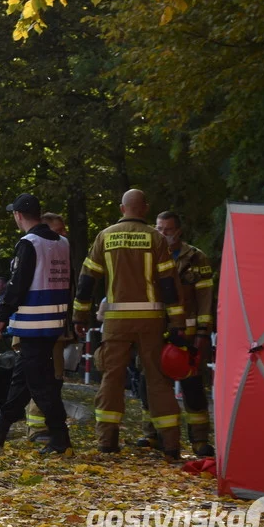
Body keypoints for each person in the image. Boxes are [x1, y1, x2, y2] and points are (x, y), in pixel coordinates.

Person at [73, 189, 187, 458]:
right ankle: (170, 444)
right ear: (145, 208)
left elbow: (87, 280)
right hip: (151, 322)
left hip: (116, 322)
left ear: (122, 209)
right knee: (157, 380)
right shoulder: (155, 238)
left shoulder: (105, 236)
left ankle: (107, 441)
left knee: (111, 378)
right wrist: (178, 321)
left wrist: (79, 316)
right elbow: (169, 283)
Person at [0, 194, 72, 454]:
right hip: (54, 322)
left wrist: (1, 316)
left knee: (40, 383)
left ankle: (60, 438)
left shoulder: (29, 243)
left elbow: (18, 284)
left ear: (18, 215)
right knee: (23, 379)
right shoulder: (62, 243)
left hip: (33, 324)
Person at [134, 211, 215, 457]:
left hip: (189, 336)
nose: (162, 234)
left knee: (192, 387)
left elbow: (205, 298)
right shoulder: (147, 255)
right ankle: (152, 434)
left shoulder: (195, 257)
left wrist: (202, 333)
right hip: (155, 331)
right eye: (158, 229)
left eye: (167, 230)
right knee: (151, 384)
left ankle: (200, 440)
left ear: (178, 231)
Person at [23, 211, 74, 442]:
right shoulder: (37, 249)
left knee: (49, 376)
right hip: (39, 325)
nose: (63, 234)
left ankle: (3, 427)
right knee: (46, 376)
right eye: (59, 230)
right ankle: (38, 428)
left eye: (64, 229)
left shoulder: (59, 250)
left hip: (52, 325)